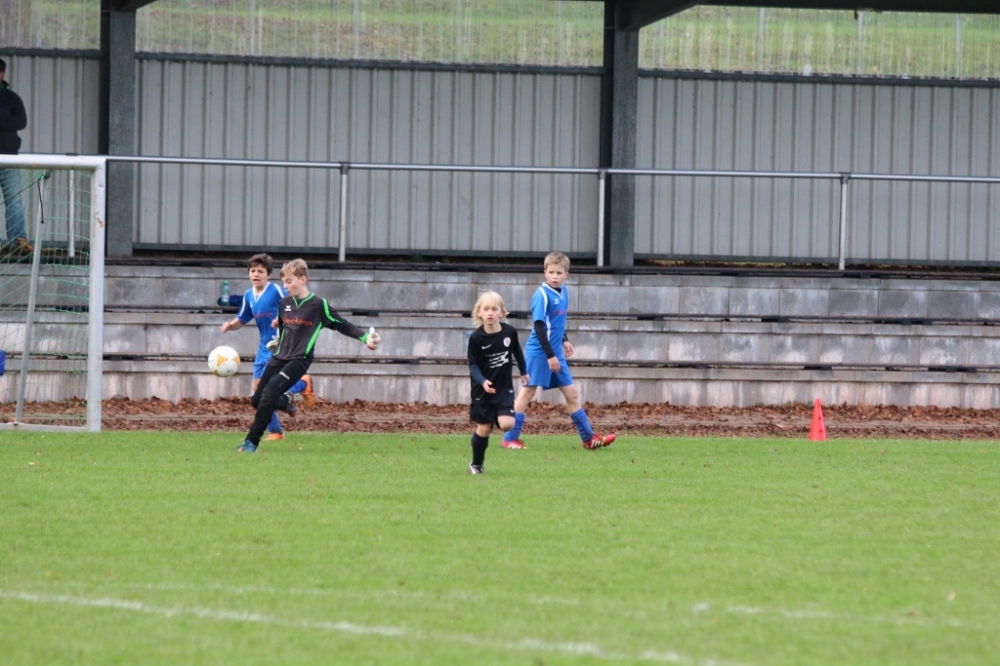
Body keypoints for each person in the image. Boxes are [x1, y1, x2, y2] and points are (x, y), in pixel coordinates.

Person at [237, 258, 381, 453]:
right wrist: (278, 332)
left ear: (302, 280)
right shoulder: (285, 303)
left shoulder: (318, 305)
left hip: (299, 359)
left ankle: (251, 443)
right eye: (284, 282)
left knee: (269, 394)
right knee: (257, 400)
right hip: (279, 356)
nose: (285, 286)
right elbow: (285, 325)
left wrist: (365, 338)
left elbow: (342, 324)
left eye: (289, 282)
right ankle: (285, 401)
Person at [501, 252, 616, 451]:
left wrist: (564, 340)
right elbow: (539, 326)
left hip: (555, 354)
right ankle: (509, 438)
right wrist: (550, 355)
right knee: (527, 393)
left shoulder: (564, 292)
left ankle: (589, 439)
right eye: (551, 272)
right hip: (540, 353)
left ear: (566, 275)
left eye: (559, 273)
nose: (555, 276)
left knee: (572, 393)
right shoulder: (542, 295)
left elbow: (555, 322)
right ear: (545, 273)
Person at [220, 253, 315, 442]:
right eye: (253, 271)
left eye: (260, 271)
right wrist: (231, 325)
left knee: (269, 389)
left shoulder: (277, 291)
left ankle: (295, 395)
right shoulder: (249, 296)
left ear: (268, 274)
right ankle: (294, 396)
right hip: (264, 347)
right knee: (258, 391)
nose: (256, 274)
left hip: (282, 345)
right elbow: (243, 318)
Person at [466, 291, 529, 475]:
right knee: (484, 429)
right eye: (486, 309)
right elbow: (473, 364)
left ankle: (497, 416)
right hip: (482, 390)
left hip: (503, 388)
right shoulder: (476, 338)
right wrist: (482, 381)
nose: (490, 313)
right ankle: (476, 464)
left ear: (502, 312)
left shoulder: (509, 332)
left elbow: (517, 351)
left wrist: (524, 371)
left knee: (507, 424)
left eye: (494, 309)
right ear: (479, 312)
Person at [0, 58, 30, 255]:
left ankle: (18, 240)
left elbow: (21, 122)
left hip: (9, 157)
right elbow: (13, 121)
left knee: (15, 200)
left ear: (2, 74)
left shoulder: (12, 98)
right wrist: (5, 119)